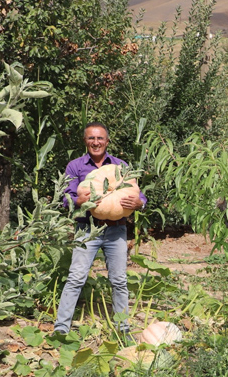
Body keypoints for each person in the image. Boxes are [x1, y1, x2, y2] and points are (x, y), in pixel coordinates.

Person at [54, 122, 146, 336]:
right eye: (91, 138)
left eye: (100, 138)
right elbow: (63, 198)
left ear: (107, 141)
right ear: (85, 141)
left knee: (119, 280)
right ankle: (61, 328)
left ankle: (122, 329)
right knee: (76, 277)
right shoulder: (75, 166)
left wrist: (139, 204)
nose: (96, 142)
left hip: (116, 230)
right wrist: (77, 201)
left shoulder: (121, 166)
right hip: (87, 229)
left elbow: (138, 193)